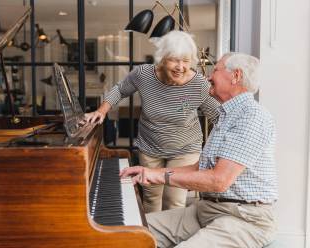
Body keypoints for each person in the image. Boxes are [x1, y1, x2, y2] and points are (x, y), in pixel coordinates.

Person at [120, 52, 278, 248]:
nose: (209, 76)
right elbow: (199, 168)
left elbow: (218, 181)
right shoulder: (226, 115)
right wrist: (151, 173)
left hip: (243, 219)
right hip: (208, 209)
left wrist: (162, 177)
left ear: (235, 76)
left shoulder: (252, 117)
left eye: (216, 70)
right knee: (129, 232)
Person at [85, 30, 220, 213]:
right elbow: (120, 90)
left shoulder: (199, 85)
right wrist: (101, 111)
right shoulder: (144, 75)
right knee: (150, 198)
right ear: (162, 58)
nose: (180, 67)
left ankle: (170, 240)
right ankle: (152, 240)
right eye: (174, 60)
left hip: (184, 151)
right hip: (150, 148)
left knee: (174, 202)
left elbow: (219, 117)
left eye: (186, 61)